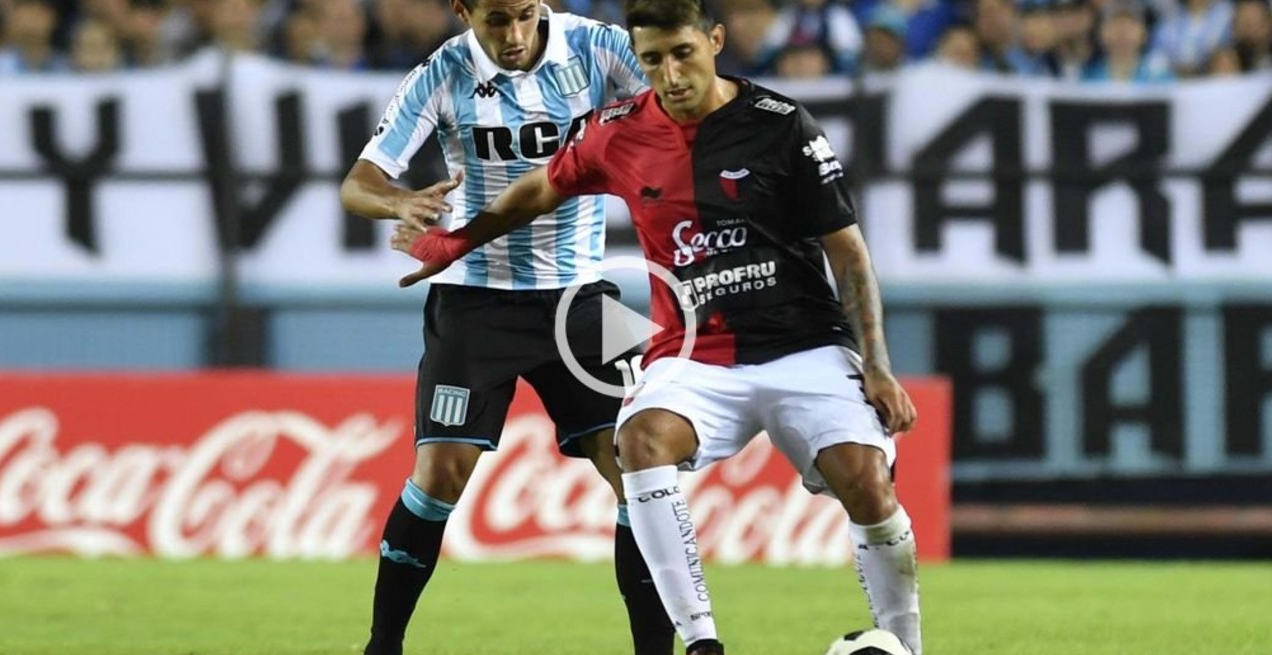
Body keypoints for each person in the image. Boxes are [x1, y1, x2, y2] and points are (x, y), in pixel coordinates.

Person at [391, 2, 924, 654]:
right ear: (637, 61)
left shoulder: (781, 123)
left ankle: (906, 644)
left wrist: (877, 365)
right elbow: (538, 188)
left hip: (804, 343)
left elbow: (848, 252)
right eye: (652, 60)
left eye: (682, 54)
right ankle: (700, 643)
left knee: (864, 479)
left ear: (714, 42)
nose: (669, 74)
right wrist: (459, 241)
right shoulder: (616, 131)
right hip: (691, 351)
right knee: (639, 440)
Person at [337, 1, 674, 654]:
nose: (514, 34)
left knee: (645, 468)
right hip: (475, 299)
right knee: (440, 474)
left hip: (583, 296)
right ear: (463, 11)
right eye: (496, 19)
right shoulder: (441, 74)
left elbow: (679, 106)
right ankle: (382, 645)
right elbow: (359, 182)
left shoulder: (598, 47)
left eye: (524, 13)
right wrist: (400, 201)